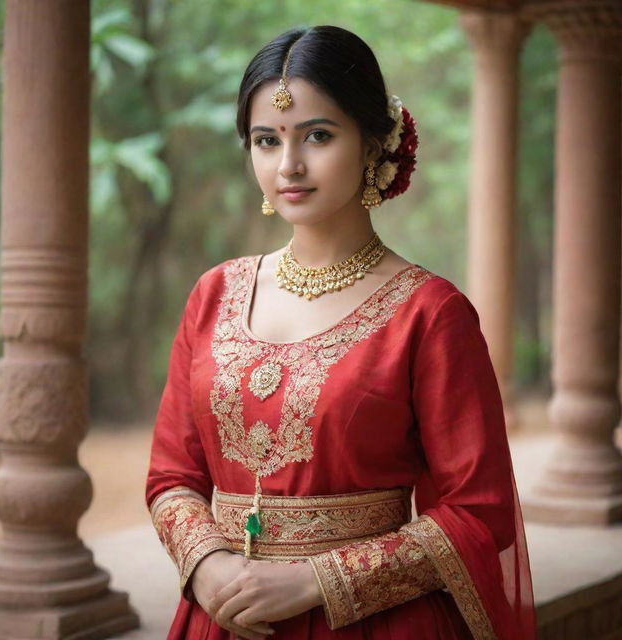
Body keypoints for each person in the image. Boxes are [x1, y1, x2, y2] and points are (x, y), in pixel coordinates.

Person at [145, 25, 537, 640]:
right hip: (223, 618)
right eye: (266, 140)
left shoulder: (430, 314)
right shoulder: (214, 295)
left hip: (371, 623)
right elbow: (173, 474)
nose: (288, 165)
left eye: (318, 136)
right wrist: (210, 566)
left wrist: (314, 581)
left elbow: (478, 512)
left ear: (375, 141)